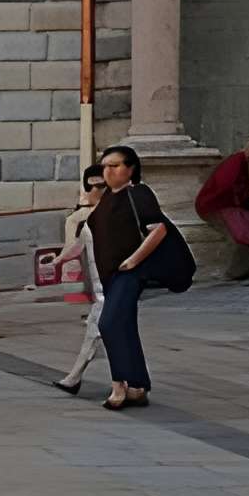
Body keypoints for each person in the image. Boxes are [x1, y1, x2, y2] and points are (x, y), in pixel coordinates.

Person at [90, 142, 174, 412]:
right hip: (110, 274)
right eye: (105, 166)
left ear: (130, 169)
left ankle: (119, 385)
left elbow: (158, 230)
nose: (108, 171)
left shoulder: (139, 194)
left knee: (109, 324)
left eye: (114, 166)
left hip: (130, 273)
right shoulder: (106, 197)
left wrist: (133, 260)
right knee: (124, 326)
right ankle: (138, 386)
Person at [52, 161, 109, 397]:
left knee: (95, 332)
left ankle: (73, 378)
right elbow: (78, 247)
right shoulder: (89, 218)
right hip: (100, 289)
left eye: (98, 187)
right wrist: (57, 261)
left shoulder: (114, 216)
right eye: (90, 186)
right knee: (114, 337)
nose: (91, 192)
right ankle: (136, 381)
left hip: (111, 288)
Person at [194, 135, 249, 281]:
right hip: (219, 204)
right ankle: (230, 272)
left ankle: (240, 271)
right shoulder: (238, 162)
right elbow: (227, 186)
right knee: (237, 237)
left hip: (234, 206)